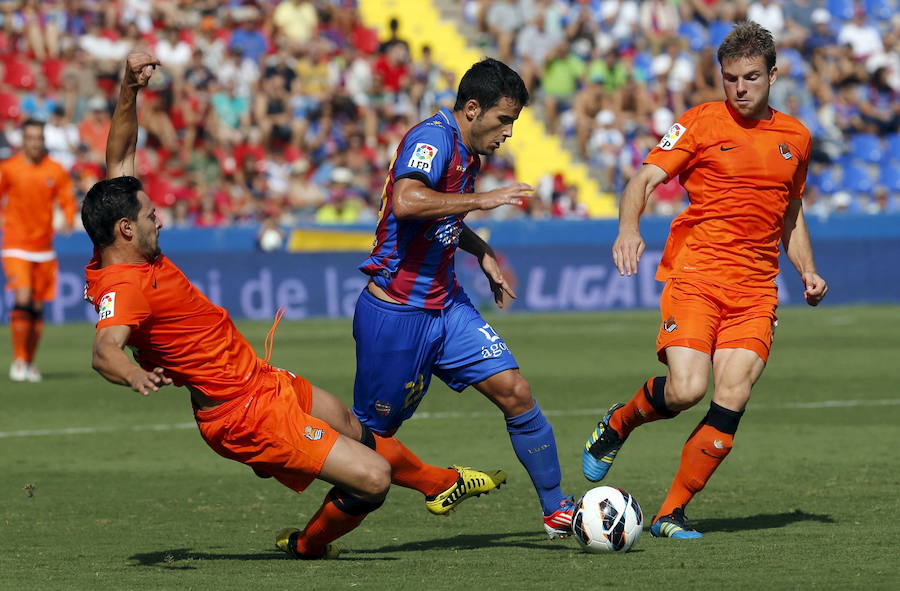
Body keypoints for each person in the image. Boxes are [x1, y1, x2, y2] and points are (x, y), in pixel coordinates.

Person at [82, 51, 391, 560]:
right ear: (126, 229)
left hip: (254, 380)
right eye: (152, 216)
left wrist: (128, 88)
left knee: (354, 428)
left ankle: (432, 480)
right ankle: (308, 544)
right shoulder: (126, 285)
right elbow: (104, 348)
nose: (162, 221)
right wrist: (133, 375)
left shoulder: (121, 236)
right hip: (240, 411)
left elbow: (120, 157)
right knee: (373, 478)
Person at [581, 22, 828, 539]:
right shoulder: (698, 123)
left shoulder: (796, 138)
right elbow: (643, 178)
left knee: (732, 394)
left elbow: (792, 211)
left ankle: (670, 513)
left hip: (757, 289)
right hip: (696, 275)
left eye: (751, 78)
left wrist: (806, 269)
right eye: (731, 78)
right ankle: (619, 423)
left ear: (773, 75)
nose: (740, 88)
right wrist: (629, 228)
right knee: (688, 389)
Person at [354, 58, 574, 538]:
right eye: (504, 120)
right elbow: (408, 201)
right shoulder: (431, 140)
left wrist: (482, 252)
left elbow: (442, 213)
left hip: (446, 305)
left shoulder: (467, 149)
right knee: (364, 442)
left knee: (515, 392)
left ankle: (556, 510)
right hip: (396, 312)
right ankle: (312, 538)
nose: (508, 133)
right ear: (472, 109)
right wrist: (482, 199)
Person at [1, 118, 75, 382]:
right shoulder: (9, 168)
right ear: (23, 140)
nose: (35, 142)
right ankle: (18, 360)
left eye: (39, 138)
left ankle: (30, 362)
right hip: (16, 245)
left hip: (44, 247)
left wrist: (68, 217)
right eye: (30, 137)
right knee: (22, 299)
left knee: (36, 305)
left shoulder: (54, 170)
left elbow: (66, 197)